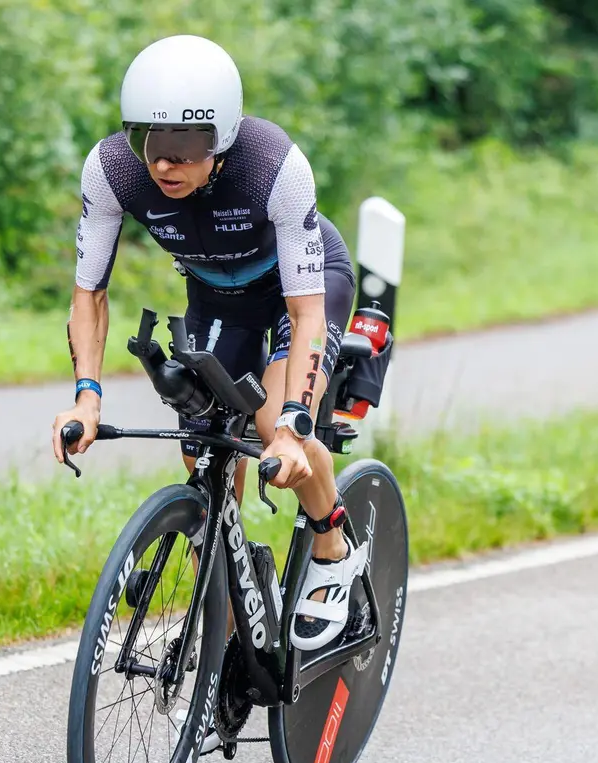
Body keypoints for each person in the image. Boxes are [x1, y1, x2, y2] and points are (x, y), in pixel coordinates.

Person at [49, 34, 366, 649]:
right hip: (218, 298)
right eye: (149, 142)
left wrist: (296, 426)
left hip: (299, 290)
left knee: (274, 425)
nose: (163, 164)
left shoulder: (274, 167)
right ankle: (223, 609)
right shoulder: (111, 170)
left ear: (220, 140)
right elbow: (88, 294)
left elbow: (304, 313)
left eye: (184, 146)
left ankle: (332, 550)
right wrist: (87, 397)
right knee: (203, 441)